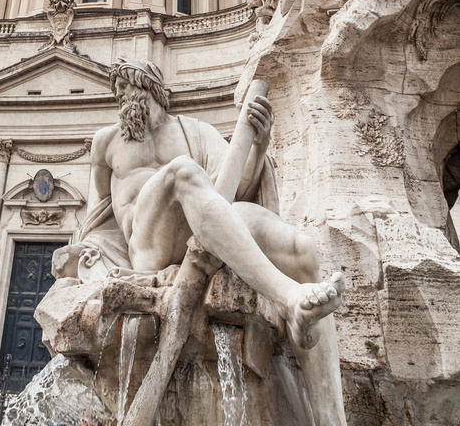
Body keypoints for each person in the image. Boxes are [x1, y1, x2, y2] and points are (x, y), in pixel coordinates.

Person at [61, 58, 347, 426]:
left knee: (302, 250)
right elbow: (100, 212)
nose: (121, 96)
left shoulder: (194, 130)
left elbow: (233, 191)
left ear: (154, 91)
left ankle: (331, 419)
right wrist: (91, 258)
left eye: (129, 87)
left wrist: (258, 145)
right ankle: (288, 297)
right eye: (118, 91)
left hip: (205, 228)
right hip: (148, 245)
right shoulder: (106, 143)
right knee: (183, 170)